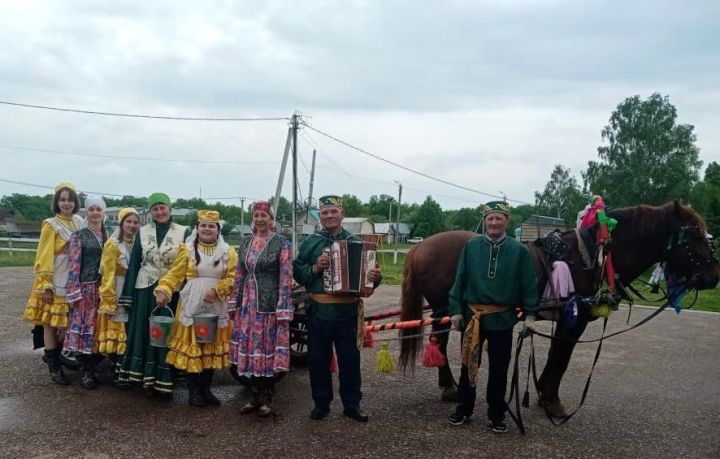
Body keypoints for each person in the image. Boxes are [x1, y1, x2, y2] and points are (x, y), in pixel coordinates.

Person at [448, 201, 538, 433]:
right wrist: (456, 309)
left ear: (507, 221)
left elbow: (529, 285)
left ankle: (496, 413)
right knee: (468, 365)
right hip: (472, 318)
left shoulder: (519, 252)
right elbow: (460, 279)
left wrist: (530, 315)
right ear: (485, 222)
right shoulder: (471, 247)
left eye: (499, 218)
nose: (494, 223)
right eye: (490, 219)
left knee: (499, 369)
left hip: (502, 319)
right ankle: (464, 408)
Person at [293, 195, 382, 422]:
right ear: (320, 217)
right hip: (319, 311)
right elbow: (297, 272)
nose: (330, 216)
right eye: (325, 212)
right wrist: (314, 268)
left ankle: (352, 404)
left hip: (348, 313)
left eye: (334, 211)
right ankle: (321, 404)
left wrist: (375, 277)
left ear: (342, 214)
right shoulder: (310, 243)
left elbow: (369, 281)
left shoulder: (358, 243)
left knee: (350, 361)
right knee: (318, 360)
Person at [158, 210, 237, 407]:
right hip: (191, 304)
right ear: (197, 228)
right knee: (195, 346)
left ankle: (206, 389)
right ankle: (194, 391)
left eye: (211, 226)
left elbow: (233, 277)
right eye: (203, 225)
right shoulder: (186, 250)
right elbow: (174, 275)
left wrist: (218, 289)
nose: (207, 229)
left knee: (208, 345)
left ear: (218, 229)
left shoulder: (228, 252)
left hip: (216, 304)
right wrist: (164, 290)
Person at [117, 192, 188, 398]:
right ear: (151, 212)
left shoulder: (184, 231)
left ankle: (166, 378)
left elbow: (187, 263)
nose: (159, 211)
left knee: (167, 335)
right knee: (147, 334)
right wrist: (128, 295)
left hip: (172, 291)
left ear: (170, 209)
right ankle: (146, 378)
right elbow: (134, 264)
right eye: (155, 208)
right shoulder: (142, 231)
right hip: (145, 290)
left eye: (162, 207)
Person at [230, 201, 292, 417]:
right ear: (252, 219)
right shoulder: (246, 242)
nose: (259, 219)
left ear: (271, 219)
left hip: (268, 303)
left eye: (263, 215)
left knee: (265, 348)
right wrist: (234, 300)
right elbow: (239, 272)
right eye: (256, 215)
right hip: (247, 303)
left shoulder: (281, 242)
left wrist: (283, 305)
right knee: (251, 347)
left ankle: (267, 397)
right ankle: (254, 396)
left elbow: (285, 276)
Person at [23, 182, 85, 385]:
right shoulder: (51, 224)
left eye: (70, 199)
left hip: (74, 280)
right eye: (62, 199)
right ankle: (54, 365)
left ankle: (53, 354)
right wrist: (45, 284)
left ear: (75, 202)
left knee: (69, 322)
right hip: (56, 278)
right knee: (50, 323)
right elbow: (44, 255)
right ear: (57, 202)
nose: (66, 203)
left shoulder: (79, 221)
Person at [64, 195, 108, 389]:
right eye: (92, 209)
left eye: (99, 209)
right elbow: (73, 265)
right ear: (86, 212)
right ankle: (87, 372)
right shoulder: (79, 235)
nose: (95, 212)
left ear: (104, 212)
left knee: (101, 328)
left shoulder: (110, 235)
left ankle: (96, 366)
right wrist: (73, 292)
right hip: (86, 288)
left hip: (105, 289)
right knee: (86, 328)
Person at [96, 207, 141, 371]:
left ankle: (127, 366)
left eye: (136, 222)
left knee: (130, 328)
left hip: (134, 290)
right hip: (118, 288)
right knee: (117, 326)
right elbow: (107, 274)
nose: (132, 225)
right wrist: (108, 299)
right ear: (122, 223)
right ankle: (116, 367)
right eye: (128, 221)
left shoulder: (138, 243)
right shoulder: (113, 244)